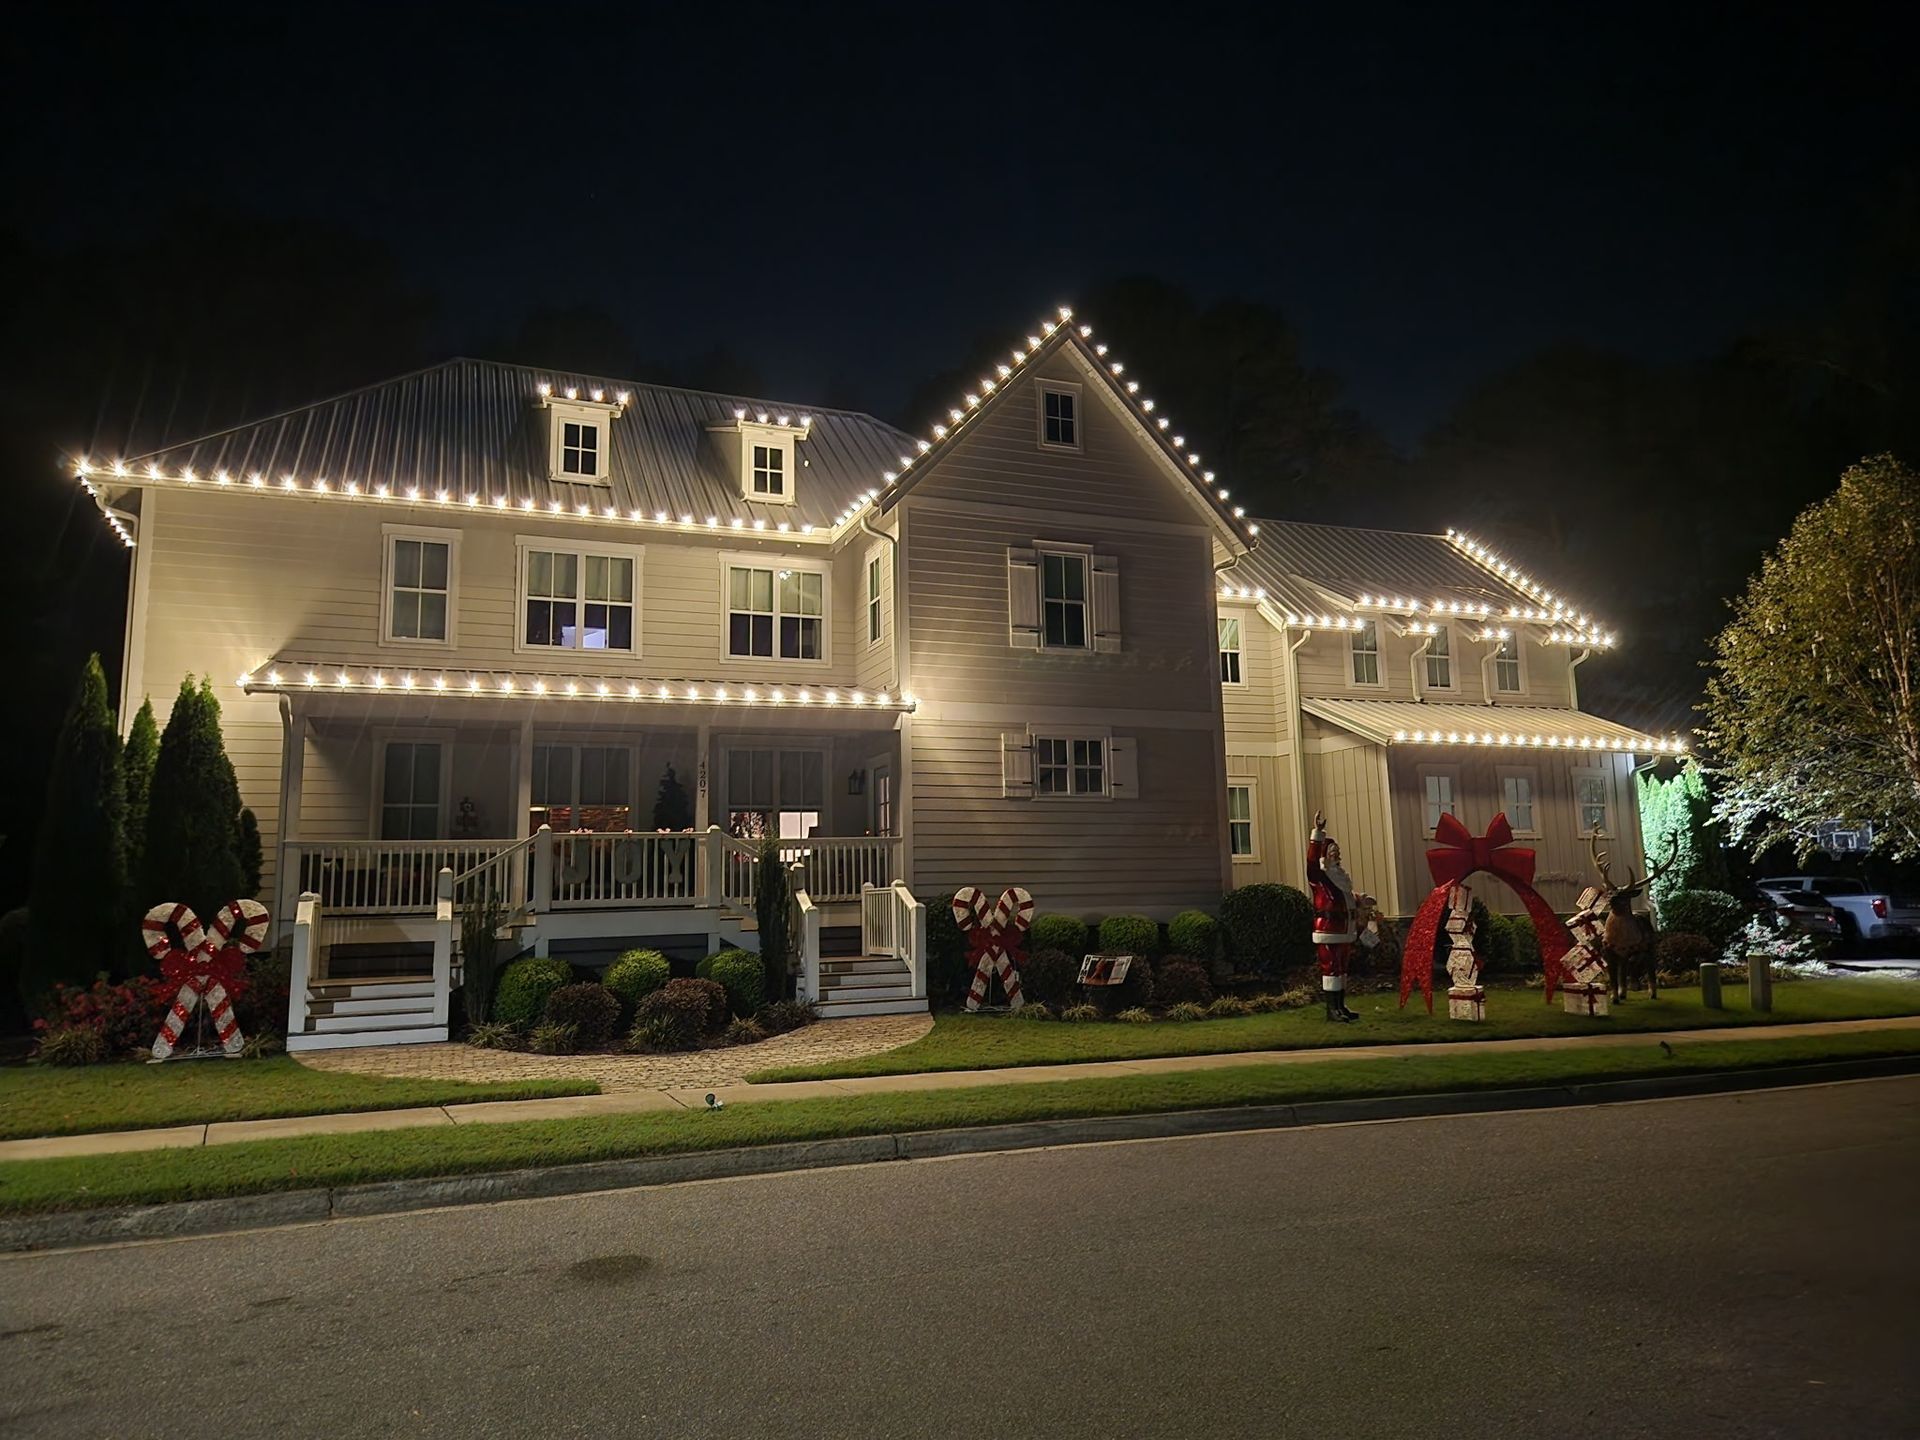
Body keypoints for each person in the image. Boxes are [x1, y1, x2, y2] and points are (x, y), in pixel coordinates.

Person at [1307, 809, 1373, 1022]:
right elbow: (1311, 861)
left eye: (1337, 852)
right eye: (1332, 852)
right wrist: (1318, 834)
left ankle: (1341, 1006)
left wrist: (1360, 900)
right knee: (1331, 967)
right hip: (1328, 929)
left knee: (1342, 968)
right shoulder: (1319, 878)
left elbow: (1346, 898)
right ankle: (1331, 1009)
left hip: (1344, 930)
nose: (1336, 855)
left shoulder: (1341, 879)